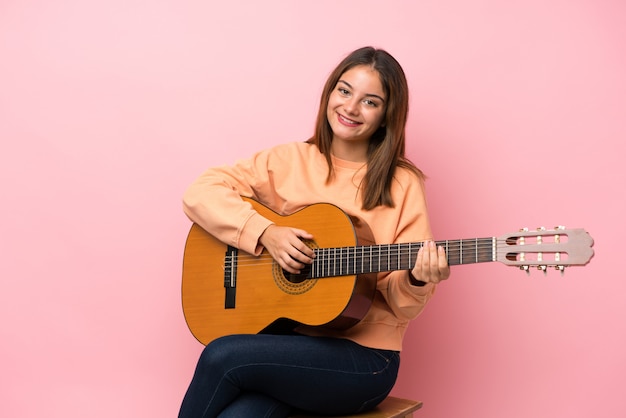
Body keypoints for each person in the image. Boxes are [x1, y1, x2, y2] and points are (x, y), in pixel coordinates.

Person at [178, 46, 450, 418]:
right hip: (284, 346)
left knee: (222, 355)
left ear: (387, 116)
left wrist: (418, 280)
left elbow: (400, 302)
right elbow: (200, 193)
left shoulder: (402, 183)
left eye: (370, 101)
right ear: (329, 93)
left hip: (363, 361)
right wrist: (265, 232)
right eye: (344, 91)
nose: (351, 108)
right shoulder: (289, 160)